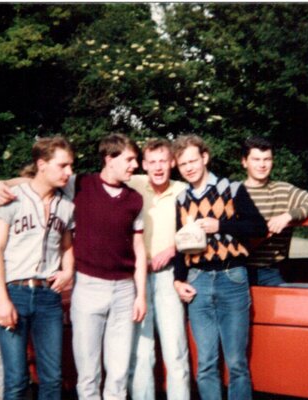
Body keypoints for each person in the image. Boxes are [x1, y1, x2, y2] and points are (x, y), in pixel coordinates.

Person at [0, 133, 147, 400]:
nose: (136, 165)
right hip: (66, 289)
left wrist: (140, 295)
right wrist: (1, 183)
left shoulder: (130, 199)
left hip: (107, 291)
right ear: (109, 159)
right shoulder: (80, 185)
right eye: (130, 159)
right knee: (32, 379)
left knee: (96, 375)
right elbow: (35, 182)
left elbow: (70, 244)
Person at [171, 134, 267, 400]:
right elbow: (180, 245)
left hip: (231, 278)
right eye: (183, 164)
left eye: (193, 160)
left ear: (205, 158)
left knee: (236, 363)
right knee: (206, 364)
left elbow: (258, 227)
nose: (189, 167)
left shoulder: (232, 189)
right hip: (198, 280)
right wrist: (179, 280)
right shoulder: (181, 199)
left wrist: (220, 226)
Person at [0, 136, 75, 399]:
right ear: (42, 164)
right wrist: (2, 300)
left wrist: (68, 271)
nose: (69, 172)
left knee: (52, 379)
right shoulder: (10, 199)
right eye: (63, 166)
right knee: (16, 380)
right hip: (15, 293)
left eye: (71, 165)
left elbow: (67, 246)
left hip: (49, 297)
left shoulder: (66, 205)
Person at [126, 138, 190, 400]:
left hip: (168, 277)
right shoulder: (133, 183)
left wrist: (172, 249)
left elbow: (197, 230)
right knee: (141, 352)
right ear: (144, 165)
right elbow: (82, 183)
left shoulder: (184, 190)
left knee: (175, 350)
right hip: (137, 278)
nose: (158, 167)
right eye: (152, 162)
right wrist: (4, 184)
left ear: (172, 162)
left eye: (163, 161)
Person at [241, 136, 308, 286]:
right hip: (237, 270)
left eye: (267, 159)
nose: (262, 165)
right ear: (244, 162)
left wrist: (288, 216)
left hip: (271, 271)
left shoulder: (284, 190)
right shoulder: (234, 191)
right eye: (256, 159)